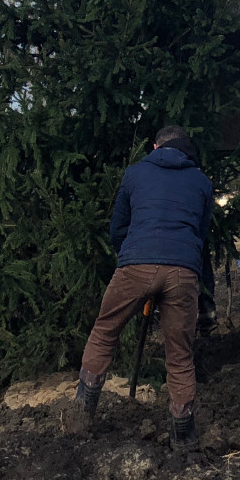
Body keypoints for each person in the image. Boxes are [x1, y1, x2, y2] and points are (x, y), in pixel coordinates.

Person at [70, 124, 213, 452]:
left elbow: (118, 226)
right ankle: (184, 436)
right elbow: (201, 235)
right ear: (187, 152)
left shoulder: (135, 173)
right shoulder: (202, 182)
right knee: (179, 355)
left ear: (155, 147)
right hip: (183, 271)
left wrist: (134, 259)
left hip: (136, 265)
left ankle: (81, 414)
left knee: (105, 331)